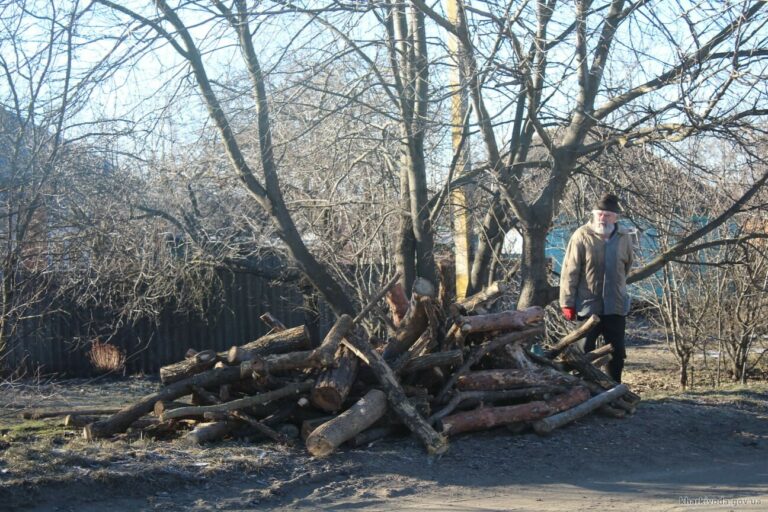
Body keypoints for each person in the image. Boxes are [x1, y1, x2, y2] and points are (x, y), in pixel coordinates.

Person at [559, 193, 633, 383]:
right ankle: (581, 389)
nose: (603, 218)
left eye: (607, 215)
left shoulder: (624, 237)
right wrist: (567, 302)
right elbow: (570, 271)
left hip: (615, 305)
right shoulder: (581, 235)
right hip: (587, 305)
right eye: (599, 214)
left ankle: (614, 388)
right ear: (593, 214)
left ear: (615, 217)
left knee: (616, 351)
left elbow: (627, 266)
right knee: (582, 351)